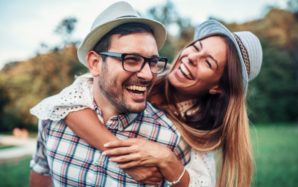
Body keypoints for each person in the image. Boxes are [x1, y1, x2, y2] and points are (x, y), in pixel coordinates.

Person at [31, 18, 263, 187]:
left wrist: (167, 160)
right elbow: (69, 101)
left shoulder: (193, 135)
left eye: (208, 63)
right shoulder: (147, 73)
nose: (191, 58)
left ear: (217, 87)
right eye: (196, 47)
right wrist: (124, 157)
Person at [29, 1, 191, 187]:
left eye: (153, 62)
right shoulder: (54, 115)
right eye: (131, 60)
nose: (147, 74)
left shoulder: (170, 139)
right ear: (95, 63)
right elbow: (41, 171)